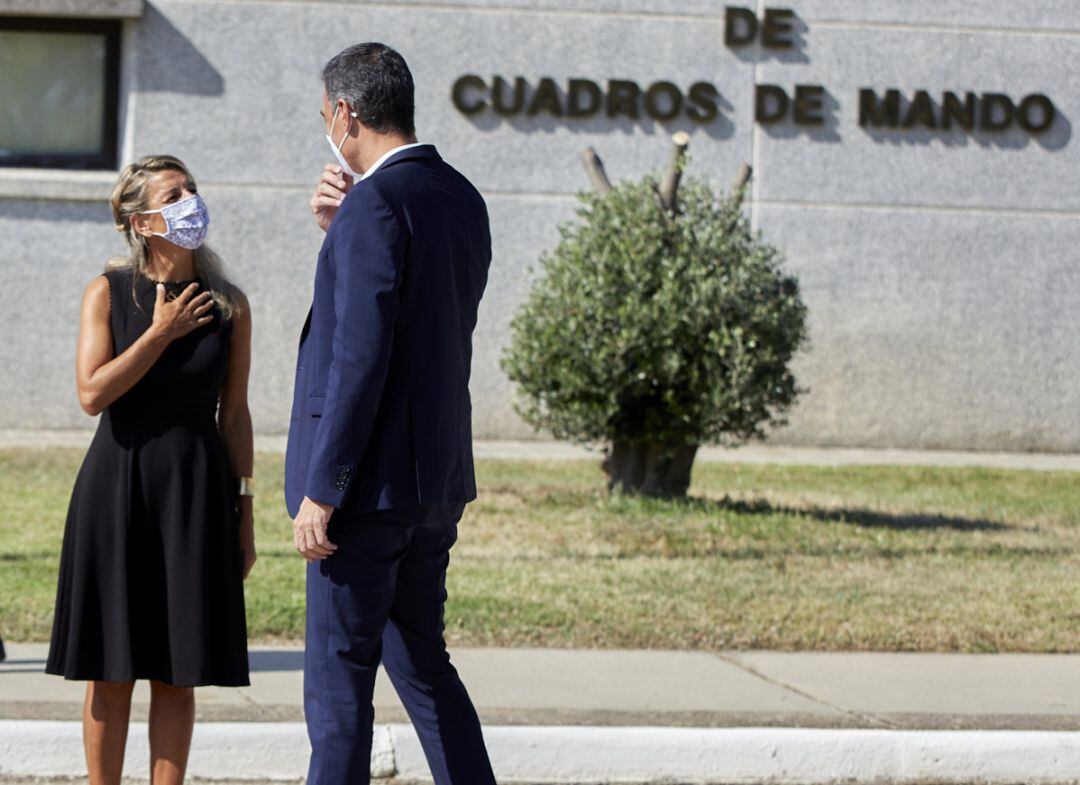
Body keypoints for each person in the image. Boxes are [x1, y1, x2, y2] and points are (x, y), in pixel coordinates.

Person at [286, 43, 496, 785]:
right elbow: (417, 322)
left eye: (324, 116)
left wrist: (324, 485)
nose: (326, 129)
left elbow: (361, 357)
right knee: (426, 671)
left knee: (339, 692)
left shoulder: (375, 203)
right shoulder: (460, 195)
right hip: (433, 484)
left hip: (365, 493)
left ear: (346, 114)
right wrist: (340, 233)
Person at [46, 155, 255, 785]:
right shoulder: (106, 293)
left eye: (192, 188)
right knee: (110, 674)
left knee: (177, 672)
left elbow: (236, 416)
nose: (190, 200)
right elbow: (92, 394)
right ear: (141, 221)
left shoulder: (228, 306)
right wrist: (158, 334)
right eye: (174, 193)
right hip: (117, 490)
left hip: (194, 496)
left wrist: (243, 515)